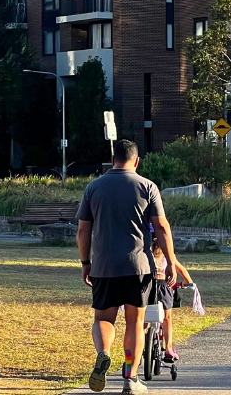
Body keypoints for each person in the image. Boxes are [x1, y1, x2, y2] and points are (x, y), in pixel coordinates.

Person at [78, 139, 179, 395]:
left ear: (112, 159)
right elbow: (162, 227)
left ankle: (103, 354)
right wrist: (170, 262)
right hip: (139, 266)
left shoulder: (94, 188)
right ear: (136, 161)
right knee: (136, 321)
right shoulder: (148, 187)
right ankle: (130, 378)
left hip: (104, 266)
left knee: (103, 318)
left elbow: (83, 230)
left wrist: (85, 262)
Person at [152, 232, 193, 363]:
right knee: (167, 318)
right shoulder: (168, 256)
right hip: (164, 286)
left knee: (142, 320)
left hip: (148, 287)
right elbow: (182, 272)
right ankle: (168, 348)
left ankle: (139, 346)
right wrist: (186, 282)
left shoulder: (146, 254)